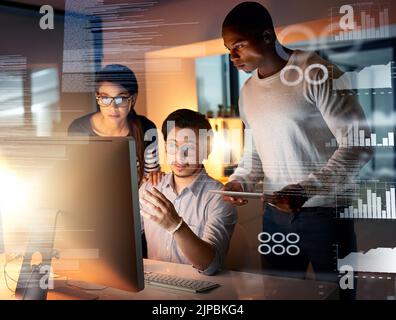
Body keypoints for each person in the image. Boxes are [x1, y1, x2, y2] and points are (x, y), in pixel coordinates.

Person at [221, 2, 373, 284]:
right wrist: (241, 181)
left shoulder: (317, 72)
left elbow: (359, 145)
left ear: (267, 37)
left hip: (326, 213)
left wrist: (306, 190)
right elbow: (255, 153)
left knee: (337, 294)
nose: (232, 56)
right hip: (273, 215)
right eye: (228, 48)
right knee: (279, 293)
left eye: (239, 45)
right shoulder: (247, 92)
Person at [139, 109, 237, 275]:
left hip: (199, 290)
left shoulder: (220, 197)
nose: (179, 156)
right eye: (172, 146)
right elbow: (126, 238)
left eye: (189, 148)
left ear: (207, 151)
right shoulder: (150, 188)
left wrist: (176, 225)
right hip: (152, 287)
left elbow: (210, 266)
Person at [68, 64, 161, 184]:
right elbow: (75, 179)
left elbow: (152, 180)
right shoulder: (79, 129)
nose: (113, 107)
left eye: (120, 99)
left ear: (133, 99)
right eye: (105, 98)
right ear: (97, 97)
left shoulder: (147, 129)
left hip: (138, 201)